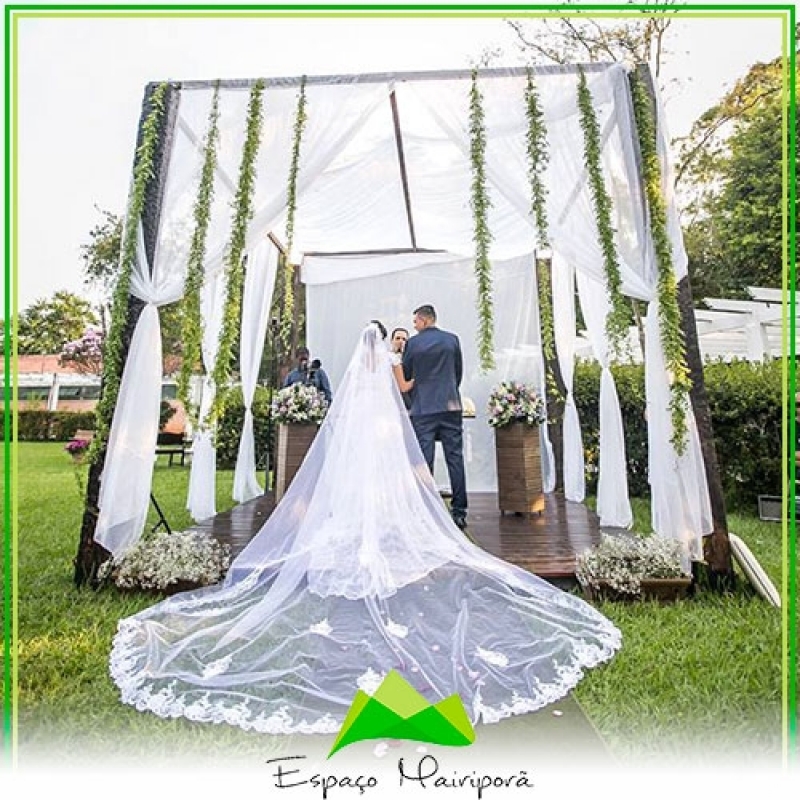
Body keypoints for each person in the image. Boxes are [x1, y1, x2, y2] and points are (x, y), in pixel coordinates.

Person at [110, 322, 620, 736]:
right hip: (400, 429)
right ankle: (443, 512)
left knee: (356, 491)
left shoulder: (365, 377)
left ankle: (362, 532)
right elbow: (401, 402)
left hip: (368, 442)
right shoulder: (405, 365)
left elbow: (362, 417)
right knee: (430, 473)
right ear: (392, 343)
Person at [401, 304, 468, 530]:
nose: (415, 326)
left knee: (424, 461)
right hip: (451, 405)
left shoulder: (413, 343)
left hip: (424, 408)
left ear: (425, 320)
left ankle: (426, 511)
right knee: (455, 459)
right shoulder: (452, 340)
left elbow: (407, 374)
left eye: (416, 322)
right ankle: (459, 512)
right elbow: (458, 372)